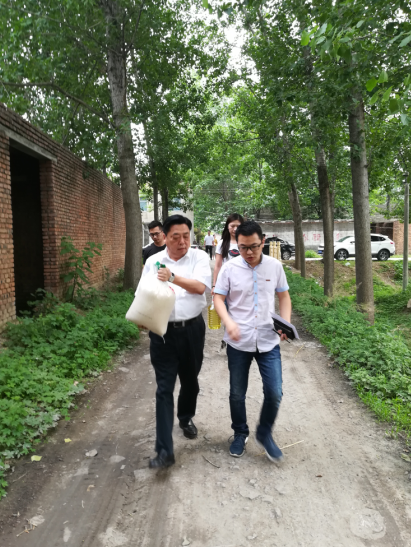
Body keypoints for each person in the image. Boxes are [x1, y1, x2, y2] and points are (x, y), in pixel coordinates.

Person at [214, 221, 292, 463]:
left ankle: (264, 432)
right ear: (237, 244)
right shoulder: (229, 268)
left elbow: (284, 296)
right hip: (239, 342)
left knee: (275, 392)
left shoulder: (274, 266)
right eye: (243, 247)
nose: (249, 252)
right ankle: (240, 433)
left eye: (254, 247)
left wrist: (285, 324)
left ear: (264, 241)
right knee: (237, 393)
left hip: (268, 340)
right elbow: (218, 298)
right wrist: (228, 322)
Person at [142, 215, 211, 469]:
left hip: (192, 329)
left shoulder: (199, 257)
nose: (182, 242)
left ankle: (185, 417)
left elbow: (200, 287)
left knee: (190, 381)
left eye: (186, 236)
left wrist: (172, 277)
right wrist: (142, 316)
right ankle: (164, 451)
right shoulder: (153, 262)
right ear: (165, 237)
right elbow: (143, 292)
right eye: (176, 237)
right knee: (164, 389)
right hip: (162, 333)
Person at [212, 213, 244, 292]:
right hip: (226, 282)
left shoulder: (246, 243)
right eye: (232, 226)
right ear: (227, 226)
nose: (235, 229)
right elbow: (218, 266)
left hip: (243, 281)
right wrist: (214, 285)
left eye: (238, 226)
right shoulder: (222, 243)